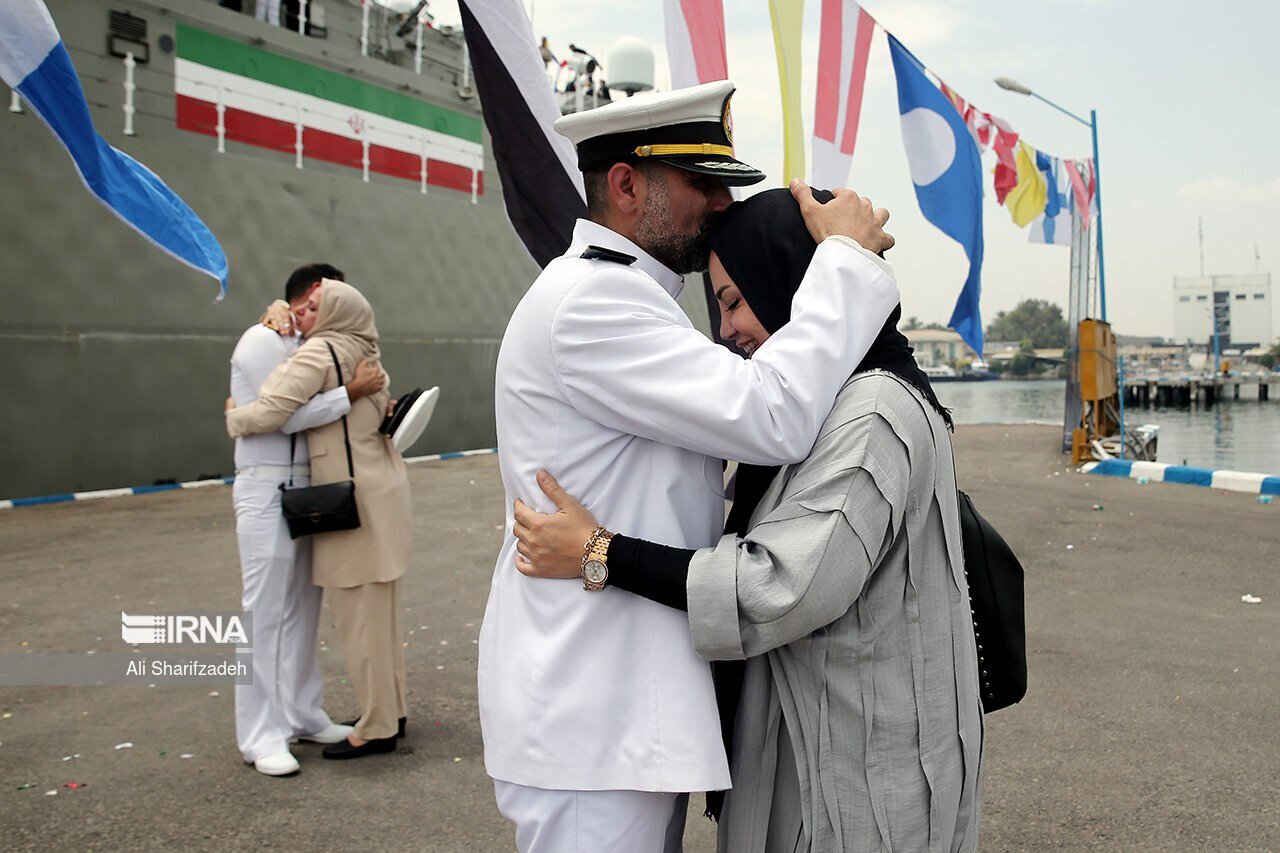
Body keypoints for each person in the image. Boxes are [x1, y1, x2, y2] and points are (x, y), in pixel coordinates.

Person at [481, 79, 900, 852]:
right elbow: (771, 414)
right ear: (625, 184)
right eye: (701, 183)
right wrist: (844, 261)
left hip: (619, 712)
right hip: (595, 716)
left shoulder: (630, 297)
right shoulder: (593, 302)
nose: (720, 203)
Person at [513, 188, 984, 852]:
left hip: (855, 785)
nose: (727, 328)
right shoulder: (844, 400)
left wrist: (599, 552)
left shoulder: (872, 412)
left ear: (790, 276)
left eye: (734, 301)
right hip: (827, 748)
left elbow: (773, 588)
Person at [226, 276, 411, 761]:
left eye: (317, 306)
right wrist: (348, 393)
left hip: (314, 487)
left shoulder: (321, 346)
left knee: (303, 612)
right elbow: (281, 414)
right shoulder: (268, 339)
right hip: (268, 484)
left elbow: (290, 413)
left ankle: (302, 713)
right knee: (264, 613)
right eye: (305, 305)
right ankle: (260, 734)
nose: (307, 313)